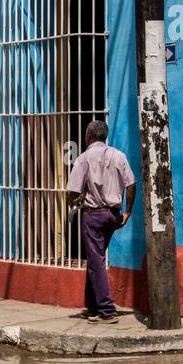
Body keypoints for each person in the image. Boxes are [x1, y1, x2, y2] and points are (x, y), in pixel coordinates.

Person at [65, 120, 137, 323]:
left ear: (88, 135)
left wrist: (73, 200)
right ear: (105, 136)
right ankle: (92, 305)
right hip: (113, 214)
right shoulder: (119, 155)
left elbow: (72, 191)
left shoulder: (83, 158)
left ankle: (107, 309)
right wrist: (128, 212)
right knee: (95, 259)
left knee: (96, 261)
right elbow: (131, 184)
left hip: (94, 215)